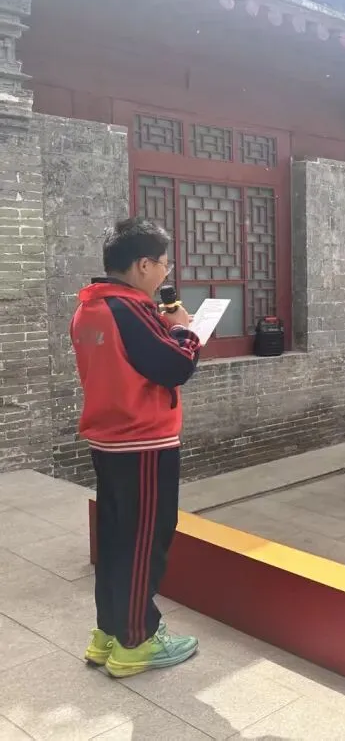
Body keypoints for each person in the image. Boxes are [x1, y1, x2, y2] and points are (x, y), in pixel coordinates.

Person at [72, 218, 200, 678]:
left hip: (108, 440)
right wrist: (184, 331)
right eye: (163, 264)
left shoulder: (88, 309)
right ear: (143, 264)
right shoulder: (130, 309)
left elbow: (129, 360)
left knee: (115, 538)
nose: (165, 273)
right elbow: (175, 366)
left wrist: (163, 330)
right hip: (143, 442)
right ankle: (136, 641)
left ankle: (108, 632)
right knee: (145, 542)